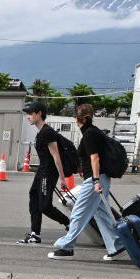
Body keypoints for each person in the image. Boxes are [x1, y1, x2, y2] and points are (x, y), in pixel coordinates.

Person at [48, 102, 117, 260]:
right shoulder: (94, 131)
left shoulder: (90, 134)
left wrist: (95, 180)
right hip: (100, 179)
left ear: (80, 118)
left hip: (95, 181)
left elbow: (95, 158)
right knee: (102, 214)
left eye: (76, 116)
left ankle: (67, 248)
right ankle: (117, 245)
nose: (74, 119)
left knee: (78, 213)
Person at [17, 102, 70, 245]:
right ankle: (35, 234)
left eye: (30, 113)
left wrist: (63, 179)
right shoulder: (40, 132)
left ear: (39, 114)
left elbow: (56, 156)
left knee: (45, 206)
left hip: (49, 172)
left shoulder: (48, 132)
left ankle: (68, 223)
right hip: (42, 170)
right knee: (33, 198)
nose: (28, 117)